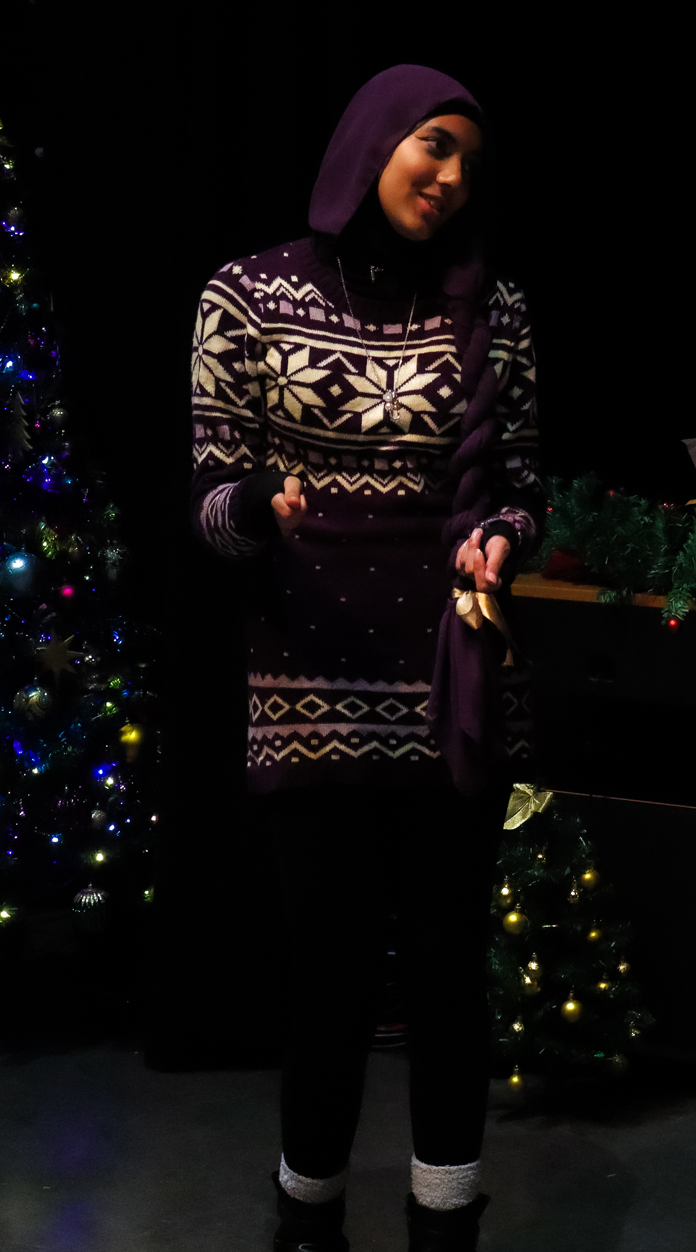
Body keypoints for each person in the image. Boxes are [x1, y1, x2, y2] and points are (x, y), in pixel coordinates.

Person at [189, 65, 540, 1252]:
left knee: (447, 971)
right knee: (329, 974)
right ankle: (307, 1220)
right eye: (431, 145)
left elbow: (520, 487)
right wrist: (259, 507)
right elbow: (210, 501)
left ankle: (446, 1223)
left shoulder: (494, 308)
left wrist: (501, 537)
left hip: (449, 683)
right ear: (373, 140)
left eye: (467, 163)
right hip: (311, 682)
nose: (448, 178)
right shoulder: (246, 295)